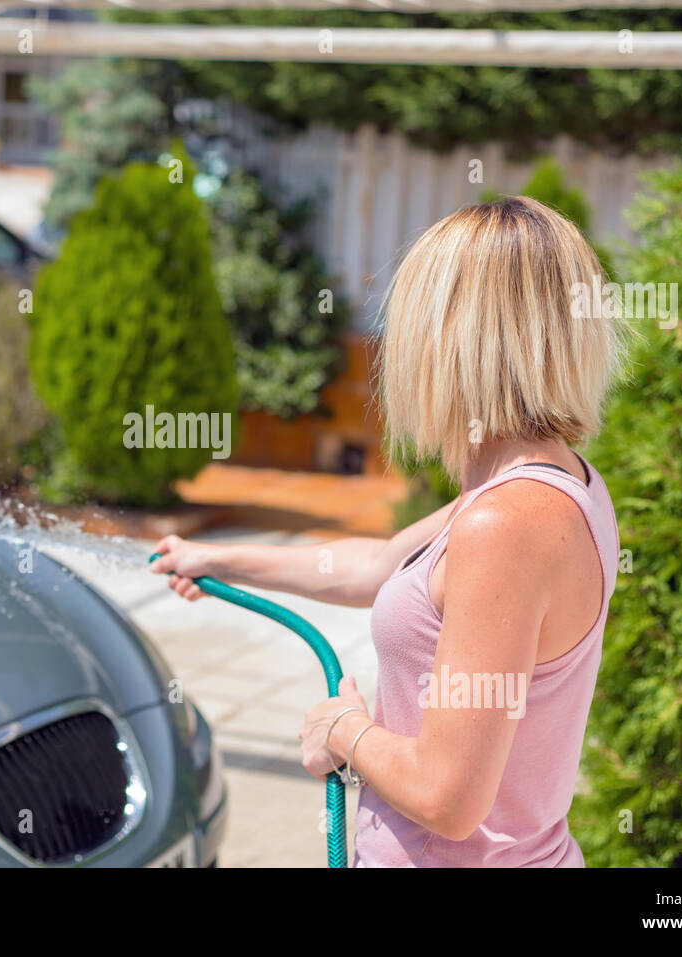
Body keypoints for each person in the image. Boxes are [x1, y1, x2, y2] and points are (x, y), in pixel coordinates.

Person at [150, 196, 630, 866]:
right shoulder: (551, 484)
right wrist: (216, 557)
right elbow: (379, 568)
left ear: (455, 342)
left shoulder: (508, 523)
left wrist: (344, 730)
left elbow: (448, 798)